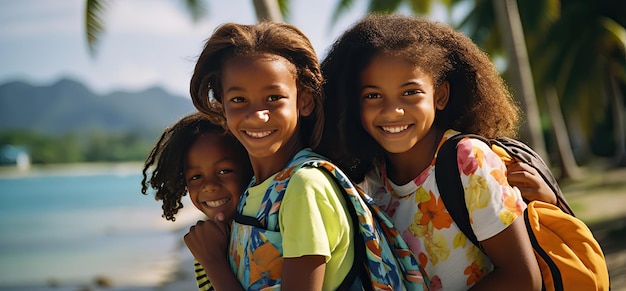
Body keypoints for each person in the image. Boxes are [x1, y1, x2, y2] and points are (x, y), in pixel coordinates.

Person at [318, 14, 542, 290]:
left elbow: (522, 277)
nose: (392, 111)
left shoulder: (467, 160)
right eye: (373, 96)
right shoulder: (369, 183)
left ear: (440, 96)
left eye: (410, 92)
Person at [187, 21, 357, 290]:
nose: (257, 115)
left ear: (304, 101)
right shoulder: (254, 190)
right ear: (223, 106)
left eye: (274, 98)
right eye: (239, 100)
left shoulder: (304, 187)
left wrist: (213, 263)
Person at [140, 112, 253, 290]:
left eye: (224, 171)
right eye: (196, 176)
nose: (209, 186)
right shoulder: (206, 238)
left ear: (249, 167)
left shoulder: (259, 228)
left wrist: (213, 261)